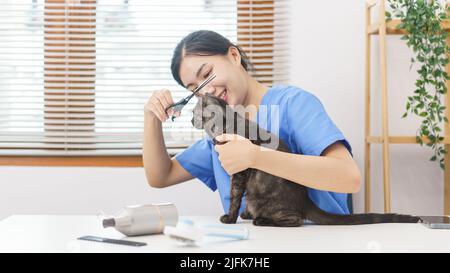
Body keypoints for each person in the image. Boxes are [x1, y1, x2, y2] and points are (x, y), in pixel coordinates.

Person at [143, 30, 361, 215]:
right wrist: (152, 118)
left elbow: (349, 177)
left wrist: (257, 157)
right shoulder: (220, 131)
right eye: (194, 90)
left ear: (234, 56)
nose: (206, 90)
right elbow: (160, 176)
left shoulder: (293, 104)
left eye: (207, 74)